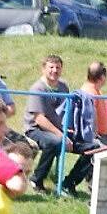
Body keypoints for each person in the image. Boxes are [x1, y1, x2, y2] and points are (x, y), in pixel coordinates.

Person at [61, 61, 107, 196]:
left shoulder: (95, 91)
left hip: (101, 136)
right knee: (96, 148)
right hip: (87, 138)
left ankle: (95, 186)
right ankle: (69, 183)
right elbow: (88, 122)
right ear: (102, 77)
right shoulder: (89, 93)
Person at [24, 55, 70, 194]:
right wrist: (61, 135)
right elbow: (39, 119)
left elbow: (66, 111)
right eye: (51, 67)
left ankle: (69, 183)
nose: (54, 70)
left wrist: (69, 129)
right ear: (43, 69)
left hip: (58, 129)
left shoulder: (63, 87)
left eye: (58, 67)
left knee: (89, 145)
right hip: (35, 129)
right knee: (55, 142)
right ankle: (37, 179)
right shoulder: (37, 89)